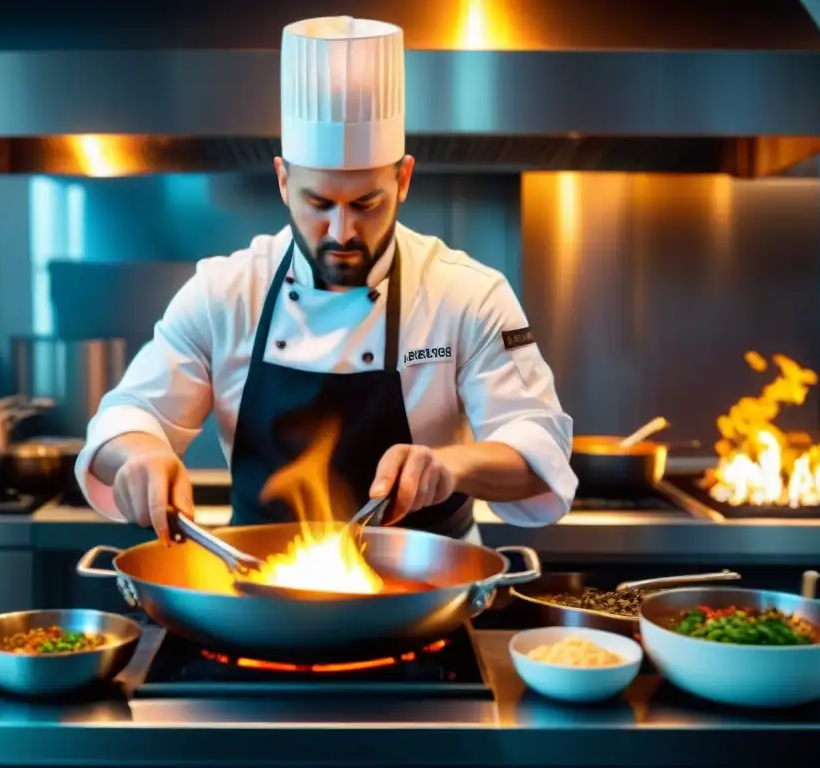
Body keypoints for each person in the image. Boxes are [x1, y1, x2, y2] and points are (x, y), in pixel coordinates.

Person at [75, 16, 578, 545]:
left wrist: (451, 465)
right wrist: (141, 455)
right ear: (283, 180)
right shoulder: (224, 293)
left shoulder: (469, 295)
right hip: (257, 590)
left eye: (366, 204)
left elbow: (536, 445)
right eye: (318, 204)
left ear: (403, 179)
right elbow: (128, 416)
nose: (342, 232)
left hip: (427, 589)